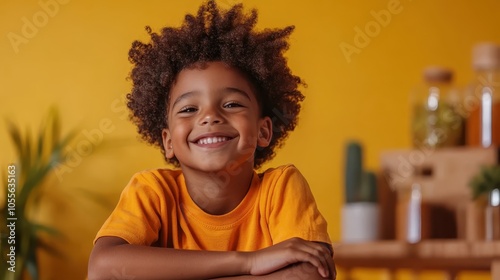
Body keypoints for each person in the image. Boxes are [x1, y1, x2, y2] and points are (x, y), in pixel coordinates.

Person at [88, 1, 335, 279]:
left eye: (231, 104)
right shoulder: (152, 192)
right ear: (168, 141)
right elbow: (103, 267)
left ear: (263, 130)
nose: (210, 117)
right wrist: (250, 263)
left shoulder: (281, 188)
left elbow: (308, 276)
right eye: (189, 109)